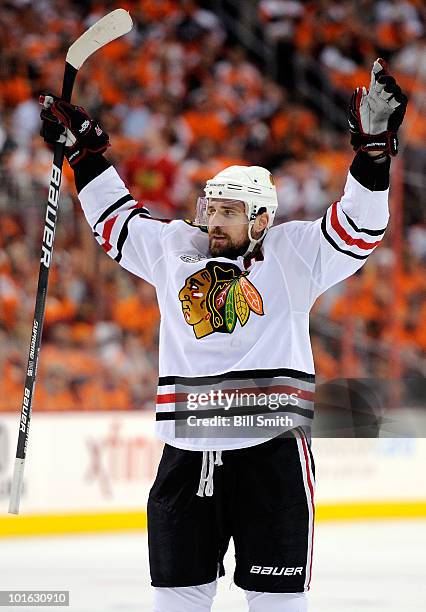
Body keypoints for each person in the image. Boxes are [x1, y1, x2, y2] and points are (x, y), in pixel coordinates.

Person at [39, 58, 406, 612]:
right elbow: (115, 221)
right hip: (186, 458)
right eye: (210, 208)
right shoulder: (173, 251)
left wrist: (372, 153)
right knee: (176, 601)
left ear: (261, 220)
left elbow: (360, 227)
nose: (214, 220)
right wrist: (85, 155)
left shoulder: (294, 255)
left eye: (230, 212)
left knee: (277, 604)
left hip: (271, 457)